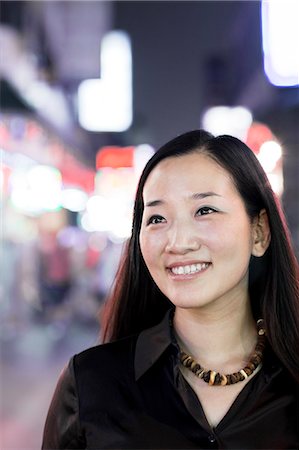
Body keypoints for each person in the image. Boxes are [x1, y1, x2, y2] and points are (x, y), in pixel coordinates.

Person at [42, 130, 299, 449]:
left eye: (205, 211)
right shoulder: (91, 382)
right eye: (157, 218)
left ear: (259, 232)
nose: (177, 242)